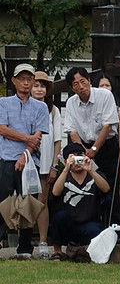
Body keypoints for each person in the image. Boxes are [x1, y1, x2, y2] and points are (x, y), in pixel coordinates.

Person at [0, 63, 49, 259]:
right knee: (2, 201)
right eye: (22, 79)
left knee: (28, 203)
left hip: (29, 162)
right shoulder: (3, 102)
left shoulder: (41, 106)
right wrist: (26, 138)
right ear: (14, 81)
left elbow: (37, 137)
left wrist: (24, 154)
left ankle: (25, 248)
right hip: (5, 158)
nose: (26, 82)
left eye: (30, 79)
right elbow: (2, 129)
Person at [62, 66, 120, 224]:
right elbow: (71, 130)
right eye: (75, 84)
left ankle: (114, 228)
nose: (81, 87)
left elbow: (108, 125)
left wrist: (94, 149)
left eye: (83, 81)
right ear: (71, 88)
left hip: (106, 147)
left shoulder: (105, 95)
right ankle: (91, 227)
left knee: (109, 187)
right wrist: (82, 151)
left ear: (88, 80)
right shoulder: (71, 103)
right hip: (83, 147)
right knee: (88, 188)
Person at [49, 143, 110, 248]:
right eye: (72, 157)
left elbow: (106, 189)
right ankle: (57, 251)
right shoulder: (64, 177)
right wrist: (66, 168)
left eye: (79, 155)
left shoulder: (95, 175)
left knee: (93, 230)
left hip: (90, 222)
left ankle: (87, 251)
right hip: (69, 222)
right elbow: (55, 193)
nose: (77, 160)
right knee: (59, 218)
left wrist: (91, 170)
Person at [30, 71, 62, 259]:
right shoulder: (24, 107)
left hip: (45, 162)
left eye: (42, 86)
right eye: (36, 85)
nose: (39, 89)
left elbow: (57, 140)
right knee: (25, 202)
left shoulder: (53, 110)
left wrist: (54, 165)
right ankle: (23, 242)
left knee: (42, 202)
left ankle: (43, 241)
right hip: (26, 162)